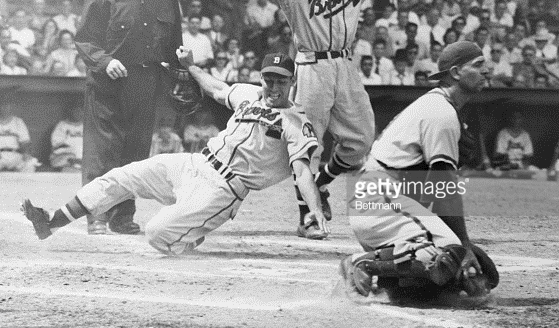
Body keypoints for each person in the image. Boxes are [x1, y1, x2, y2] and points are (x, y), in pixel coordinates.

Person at [22, 51, 329, 256]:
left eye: (280, 80)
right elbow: (215, 88)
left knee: (156, 233)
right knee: (120, 176)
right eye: (268, 78)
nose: (273, 85)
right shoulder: (249, 93)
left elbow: (302, 171)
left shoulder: (297, 123)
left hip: (223, 189)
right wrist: (192, 65)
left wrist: (312, 208)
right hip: (193, 163)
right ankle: (52, 222)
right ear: (261, 77)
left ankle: (190, 234)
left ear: (292, 82)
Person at [263, 0, 403, 239]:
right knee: (308, 145)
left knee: (360, 140)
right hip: (311, 67)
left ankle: (322, 184)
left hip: (345, 65)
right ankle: (306, 216)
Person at [339, 41, 498, 302]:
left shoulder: (440, 106)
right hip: (380, 202)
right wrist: (464, 247)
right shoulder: (442, 113)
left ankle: (394, 279)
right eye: (478, 65)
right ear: (456, 73)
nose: (487, 71)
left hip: (385, 203)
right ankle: (362, 263)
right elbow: (443, 189)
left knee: (475, 274)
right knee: (450, 251)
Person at [74, 0, 183, 236]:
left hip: (146, 82)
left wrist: (179, 72)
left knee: (135, 152)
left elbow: (175, 44)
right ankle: (96, 214)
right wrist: (104, 61)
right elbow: (85, 40)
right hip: (107, 83)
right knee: (102, 151)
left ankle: (123, 216)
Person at [49, 105, 84, 172]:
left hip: (82, 158)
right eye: (76, 110)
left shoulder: (86, 125)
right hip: (65, 156)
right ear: (71, 111)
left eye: (81, 110)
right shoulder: (62, 125)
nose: (79, 113)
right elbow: (56, 145)